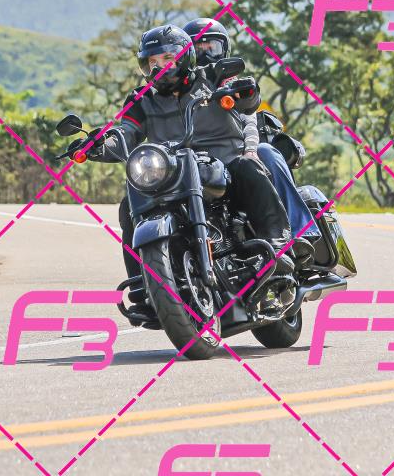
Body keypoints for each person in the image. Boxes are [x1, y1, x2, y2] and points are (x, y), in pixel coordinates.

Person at [88, 24, 295, 312]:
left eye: (167, 59)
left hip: (225, 164)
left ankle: (279, 247)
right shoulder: (141, 99)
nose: (159, 67)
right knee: (129, 205)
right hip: (173, 172)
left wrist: (245, 92)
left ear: (185, 57)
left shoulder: (213, 77)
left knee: (249, 166)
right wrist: (99, 145)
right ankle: (143, 285)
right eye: (152, 62)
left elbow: (247, 99)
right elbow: (126, 132)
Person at [182, 19, 322, 255]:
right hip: (199, 167)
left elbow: (249, 121)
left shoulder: (233, 85)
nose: (206, 56)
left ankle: (300, 233)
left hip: (237, 157)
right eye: (199, 49)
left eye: (212, 48)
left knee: (267, 152)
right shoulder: (179, 89)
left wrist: (250, 150)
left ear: (224, 50)